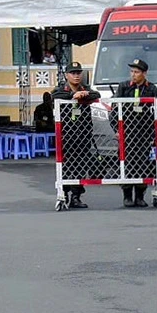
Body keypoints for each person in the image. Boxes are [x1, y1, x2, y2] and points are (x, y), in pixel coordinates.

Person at [52, 62, 99, 209]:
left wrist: (83, 94)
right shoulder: (61, 89)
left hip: (83, 133)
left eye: (78, 73)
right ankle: (64, 194)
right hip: (66, 135)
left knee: (80, 165)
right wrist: (73, 95)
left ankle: (76, 196)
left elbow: (96, 94)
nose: (77, 76)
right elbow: (55, 95)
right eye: (73, 73)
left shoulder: (85, 88)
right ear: (67, 75)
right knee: (66, 165)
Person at [114, 59, 157, 207]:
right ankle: (127, 195)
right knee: (126, 162)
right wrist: (116, 129)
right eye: (132, 72)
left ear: (144, 73)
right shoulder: (123, 87)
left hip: (144, 132)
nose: (133, 75)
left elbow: (156, 112)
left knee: (144, 163)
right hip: (127, 131)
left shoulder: (152, 89)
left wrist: (155, 133)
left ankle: (140, 196)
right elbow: (115, 109)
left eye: (137, 72)